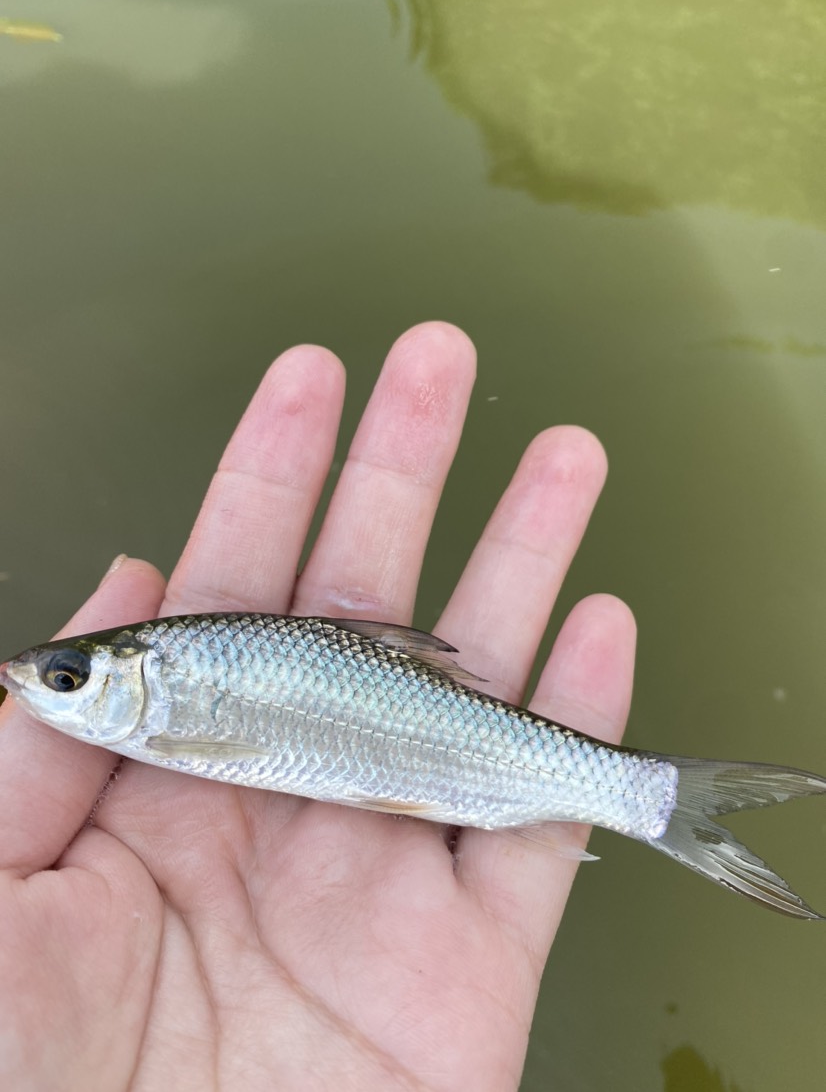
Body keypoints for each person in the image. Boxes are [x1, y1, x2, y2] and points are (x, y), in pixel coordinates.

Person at [0, 323, 635, 1090]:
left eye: (68, 677)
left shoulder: (170, 694)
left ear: (137, 674)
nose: (39, 684)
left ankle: (640, 794)